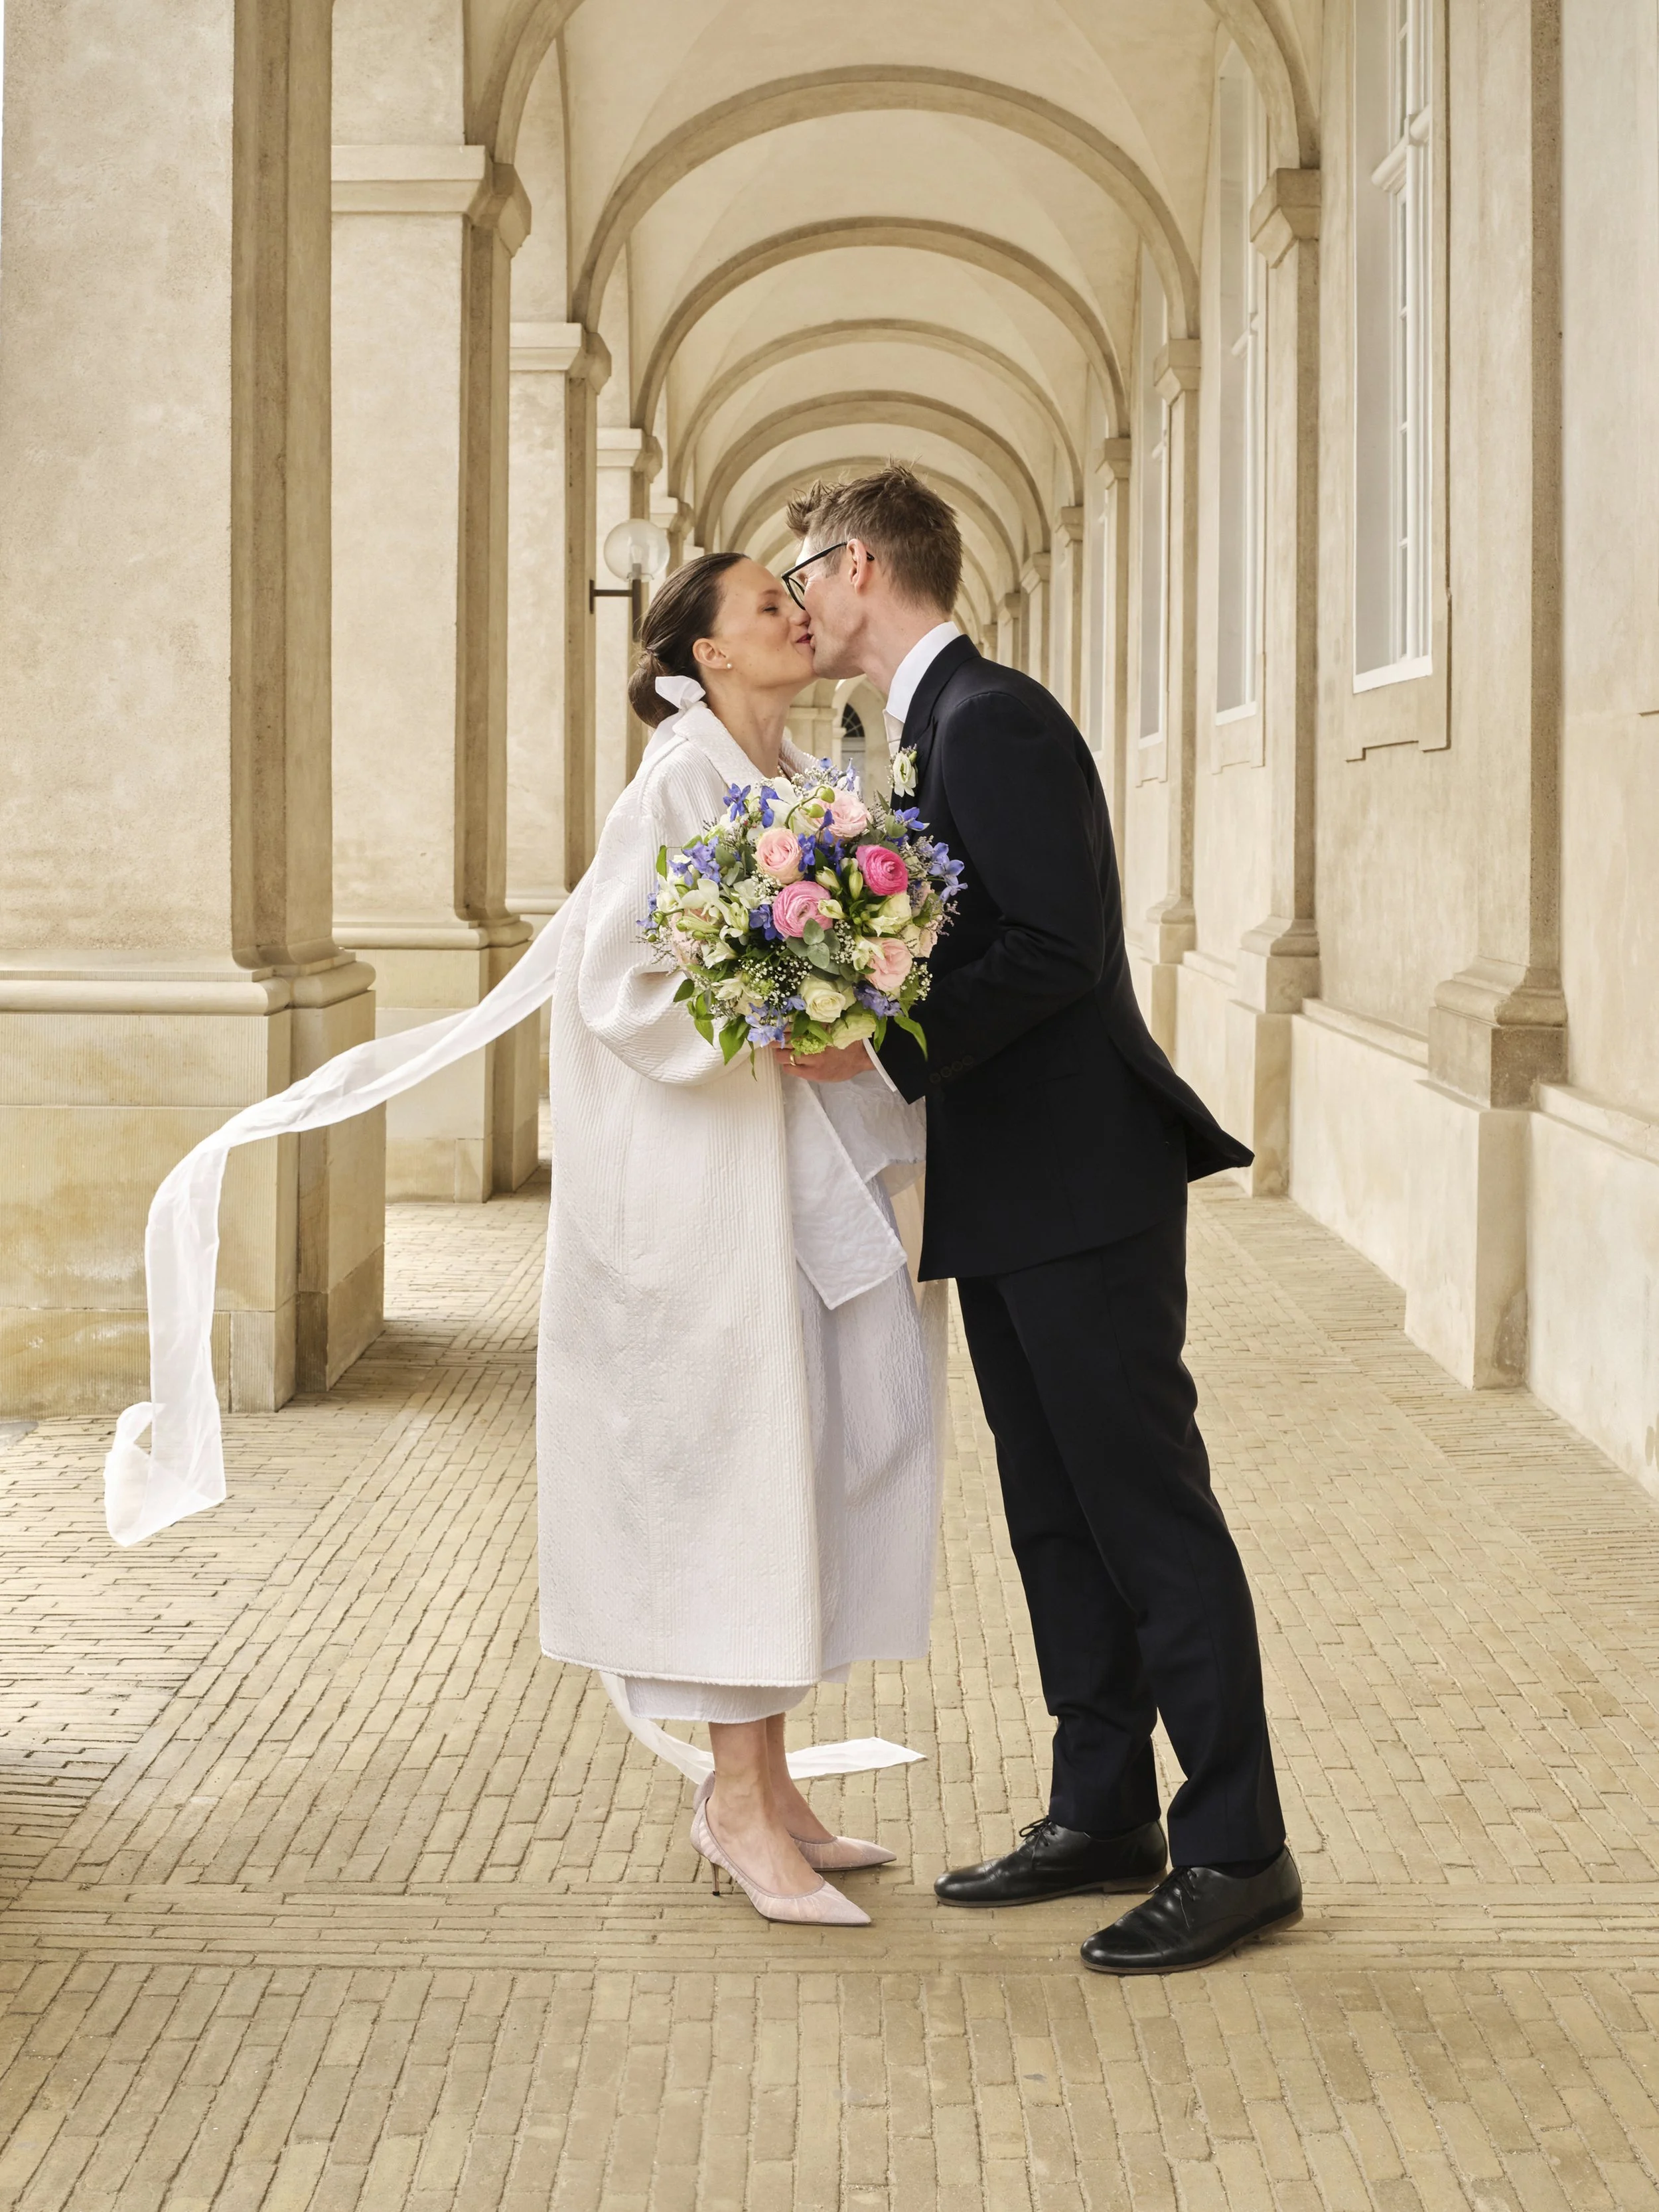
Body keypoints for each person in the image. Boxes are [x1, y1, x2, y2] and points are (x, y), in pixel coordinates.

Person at [781, 465, 1301, 1974]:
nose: (797, 597)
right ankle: (1102, 1809)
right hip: (1010, 1192)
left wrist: (879, 1037)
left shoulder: (992, 716)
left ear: (862, 565)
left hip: (1082, 1188)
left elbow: (1054, 952)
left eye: (804, 569)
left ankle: (1235, 1845)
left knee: (1146, 1512)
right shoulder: (927, 729)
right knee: (1054, 1514)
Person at [538, 550, 948, 1927]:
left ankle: (767, 1788)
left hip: (781, 1179)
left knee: (800, 1461)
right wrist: (767, 1017)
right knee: (733, 1474)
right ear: (707, 655)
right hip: (704, 1204)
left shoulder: (781, 786)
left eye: (793, 593)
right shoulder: (674, 786)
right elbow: (616, 983)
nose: (791, 610)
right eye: (762, 604)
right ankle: (730, 1798)